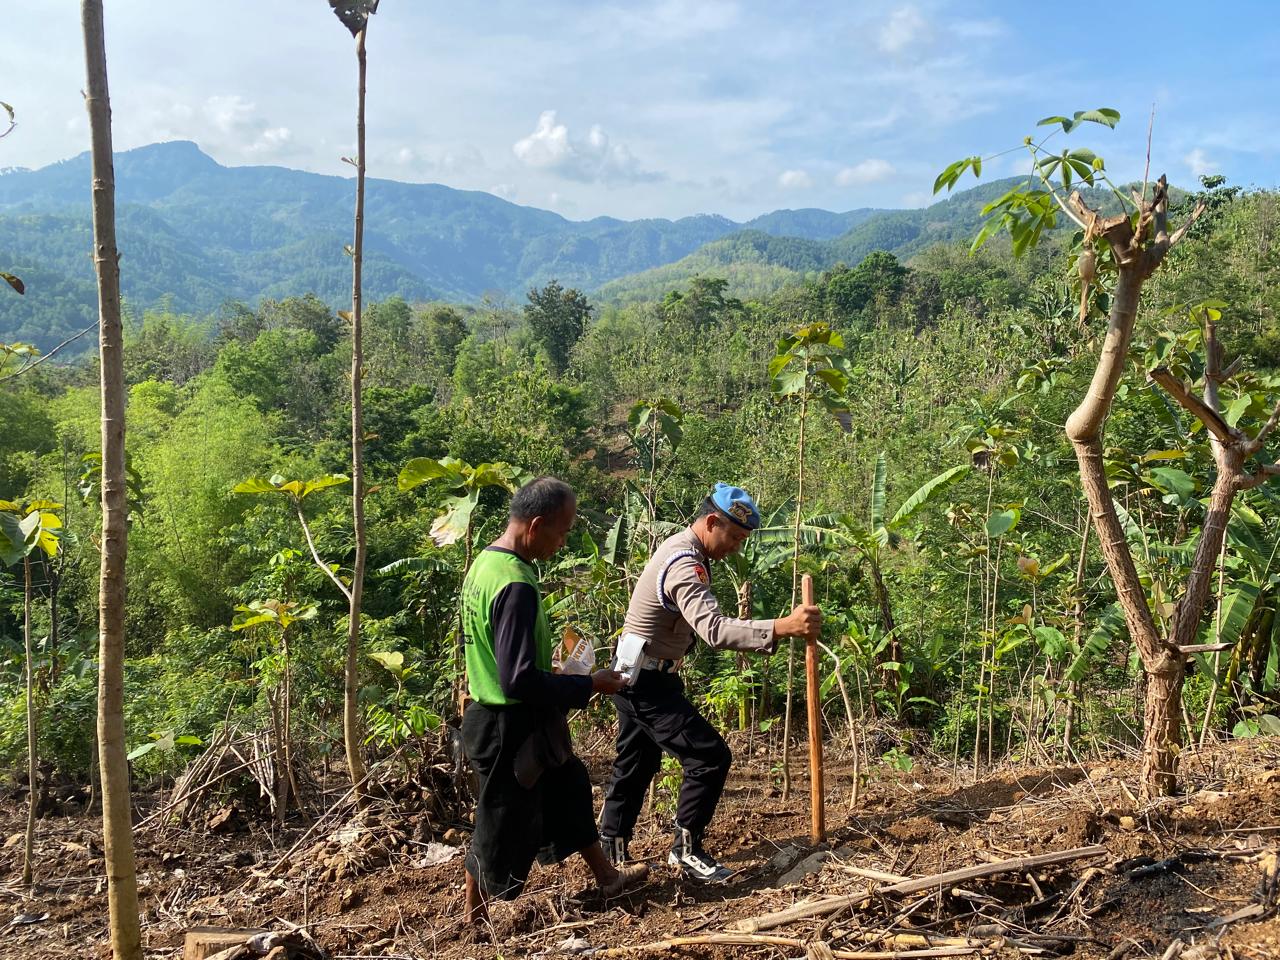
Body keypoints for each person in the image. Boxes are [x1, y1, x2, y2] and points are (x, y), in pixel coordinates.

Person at [599, 482, 822, 883]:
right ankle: (686, 852)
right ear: (712, 521)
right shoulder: (686, 564)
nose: (737, 546)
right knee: (709, 756)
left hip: (632, 673)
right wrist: (782, 627)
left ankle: (611, 849)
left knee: (637, 762)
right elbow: (714, 631)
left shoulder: (681, 548)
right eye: (734, 536)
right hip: (646, 682)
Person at [459, 476, 647, 925]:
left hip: (518, 719)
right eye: (561, 532)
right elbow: (518, 680)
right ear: (536, 524)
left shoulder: (488, 563)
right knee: (498, 820)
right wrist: (589, 685)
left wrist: (557, 673)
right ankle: (474, 918)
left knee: (569, 789)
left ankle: (607, 877)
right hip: (509, 726)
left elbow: (508, 657)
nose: (563, 542)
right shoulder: (515, 585)